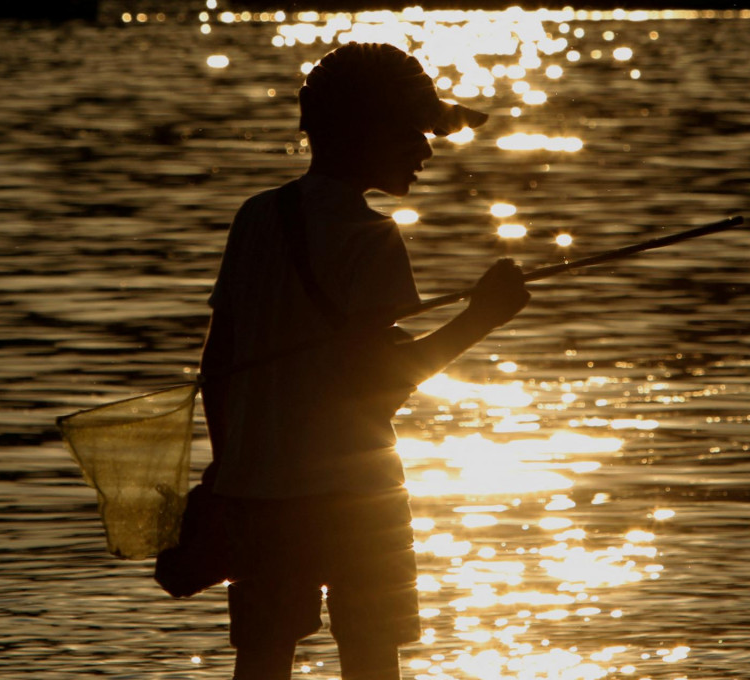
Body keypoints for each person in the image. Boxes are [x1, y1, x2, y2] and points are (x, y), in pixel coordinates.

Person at [198, 42, 530, 680]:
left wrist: (228, 476)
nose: (426, 150)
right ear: (360, 132)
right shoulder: (371, 238)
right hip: (357, 494)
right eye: (411, 132)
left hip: (259, 494)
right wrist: (481, 317)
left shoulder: (257, 217)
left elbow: (219, 364)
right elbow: (379, 387)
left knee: (261, 661)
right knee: (372, 661)